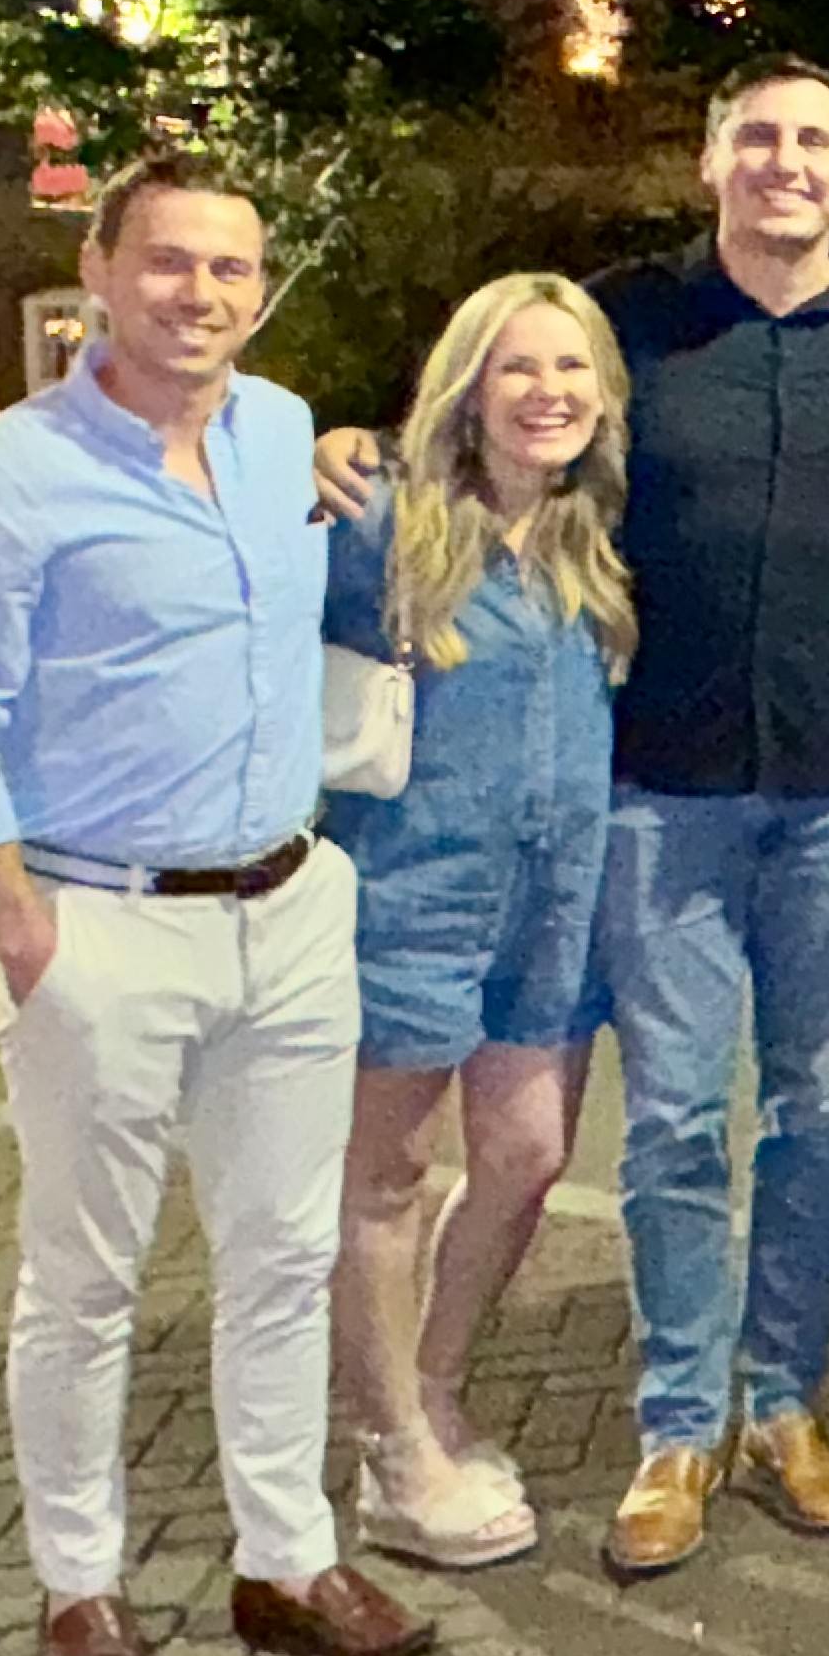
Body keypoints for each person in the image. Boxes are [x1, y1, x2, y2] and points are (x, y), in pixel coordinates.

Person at [317, 55, 829, 1576]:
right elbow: (493, 423)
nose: (785, 161)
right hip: (658, 794)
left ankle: (781, 1402)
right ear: (711, 162)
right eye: (758, 136)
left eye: (814, 139)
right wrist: (342, 445)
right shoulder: (626, 323)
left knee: (817, 1113)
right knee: (673, 1120)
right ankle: (679, 1424)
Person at [0, 154, 435, 1656]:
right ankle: (80, 1582)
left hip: (289, 908)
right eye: (170, 261)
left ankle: (286, 1556)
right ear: (100, 270)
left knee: (284, 1254)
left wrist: (342, 448)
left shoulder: (276, 436)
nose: (201, 293)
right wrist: (22, 932)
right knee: (83, 1279)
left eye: (231, 268)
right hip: (100, 921)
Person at [324, 274, 636, 1571]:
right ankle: (393, 1450)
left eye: (571, 368)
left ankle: (433, 1388)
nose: (547, 392)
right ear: (467, 384)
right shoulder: (379, 523)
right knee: (384, 1174)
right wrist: (316, 449)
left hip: (549, 905)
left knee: (525, 1151)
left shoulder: (587, 540)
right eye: (519, 366)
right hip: (408, 895)